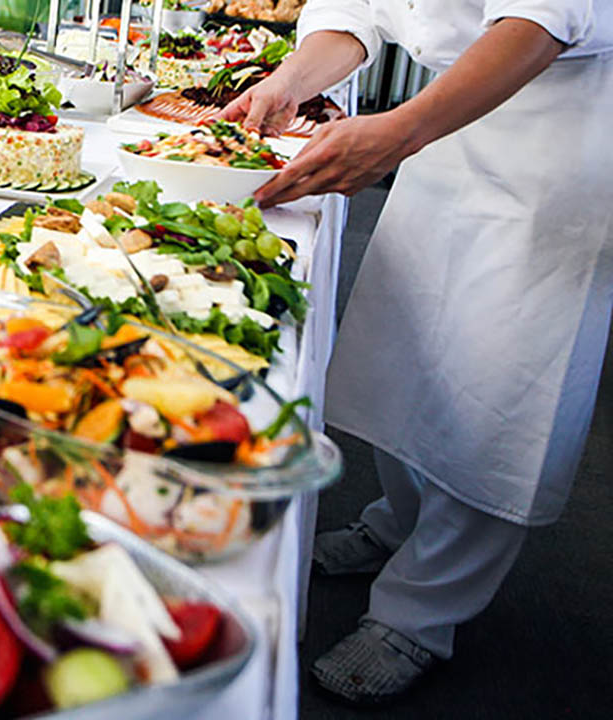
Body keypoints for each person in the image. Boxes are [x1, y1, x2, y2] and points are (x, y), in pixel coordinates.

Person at [220, 0, 613, 706]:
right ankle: (394, 524)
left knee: (499, 386)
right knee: (408, 353)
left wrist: (401, 130)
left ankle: (419, 615)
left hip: (558, 138)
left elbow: (545, 18)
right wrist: (290, 80)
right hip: (448, 128)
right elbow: (358, 10)